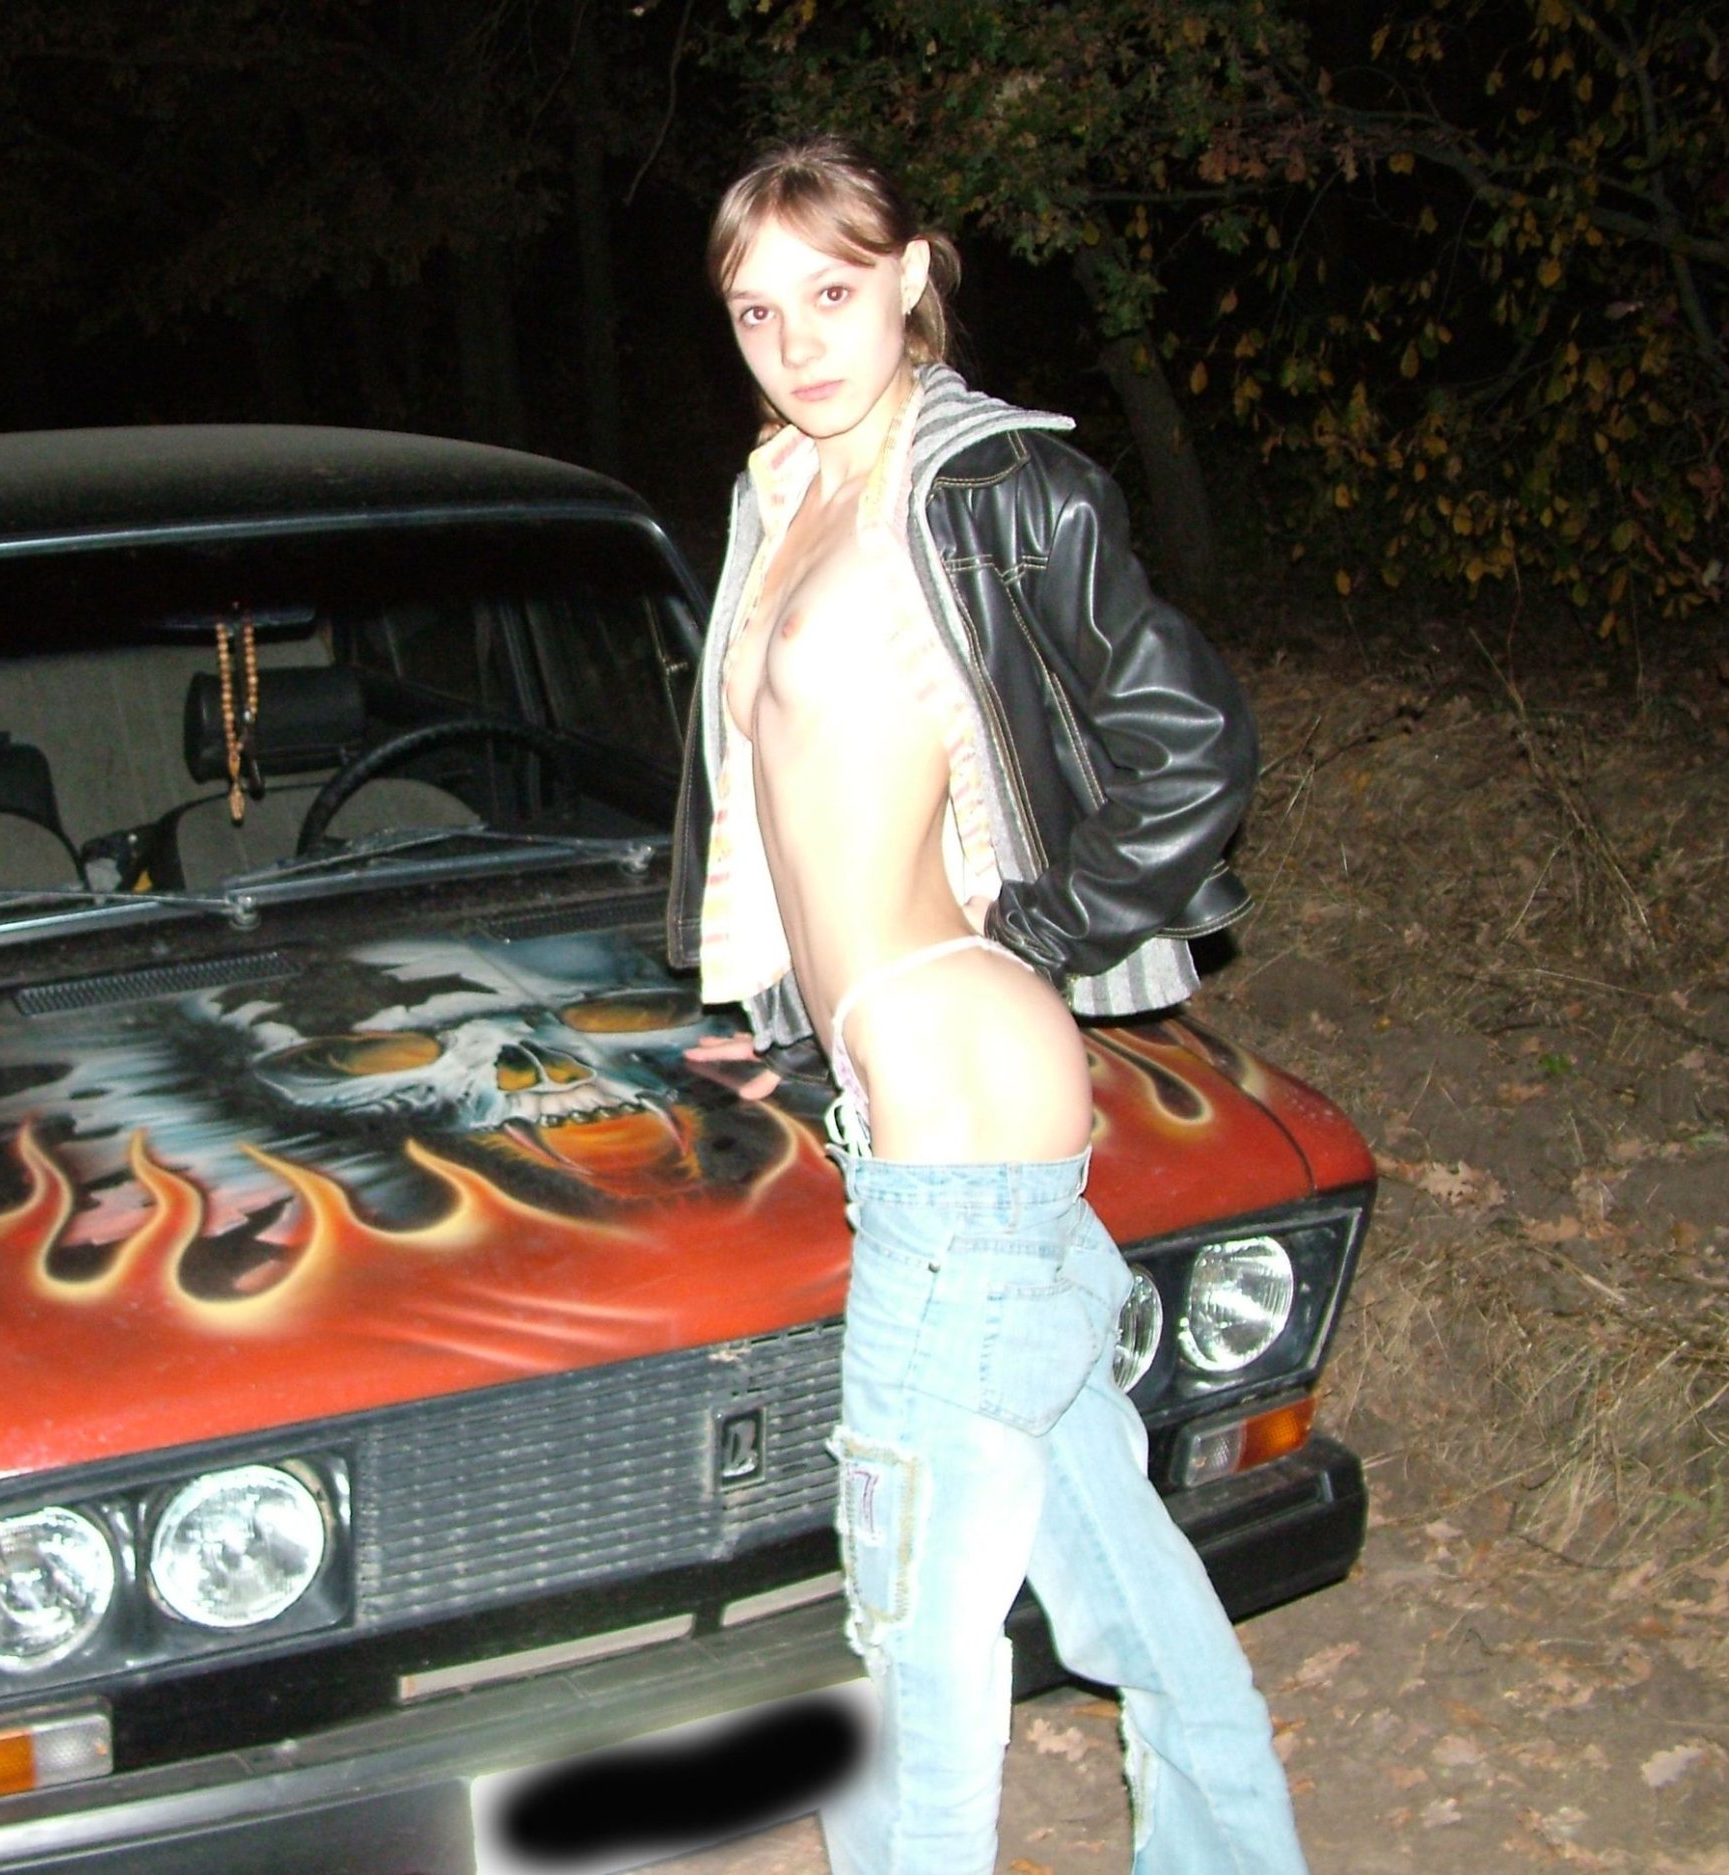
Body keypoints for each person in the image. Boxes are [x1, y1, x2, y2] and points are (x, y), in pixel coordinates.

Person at [667, 136, 1307, 1875]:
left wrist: (1030, 935)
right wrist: (791, 1026)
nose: (798, 341)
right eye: (757, 311)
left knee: (910, 1645)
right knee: (1119, 1576)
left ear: (911, 276)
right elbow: (799, 814)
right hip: (919, 1111)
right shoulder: (782, 495)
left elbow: (1192, 745)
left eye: (833, 292)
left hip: (962, 1110)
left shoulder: (989, 485)